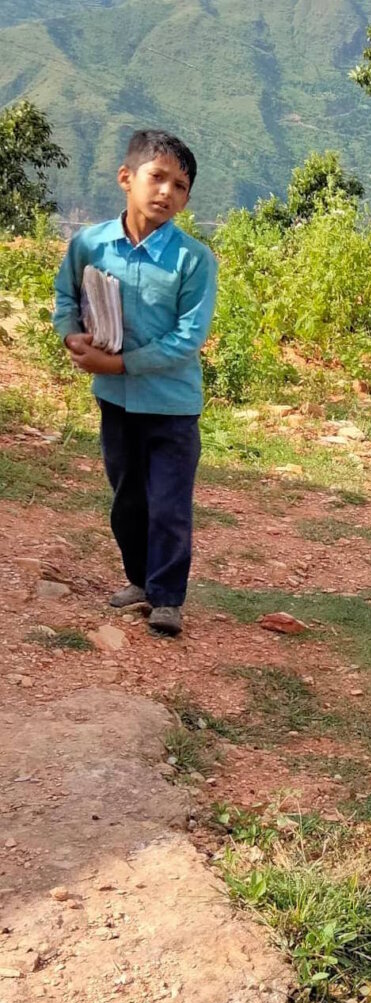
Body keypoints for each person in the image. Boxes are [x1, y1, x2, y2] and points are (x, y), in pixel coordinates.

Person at [53, 129, 218, 637]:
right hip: (116, 403)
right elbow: (65, 299)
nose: (167, 192)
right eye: (158, 177)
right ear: (126, 178)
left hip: (171, 406)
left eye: (181, 185)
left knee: (168, 504)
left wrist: (121, 365)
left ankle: (167, 598)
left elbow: (187, 339)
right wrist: (72, 338)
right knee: (127, 500)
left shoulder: (193, 260)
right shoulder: (90, 244)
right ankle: (140, 581)